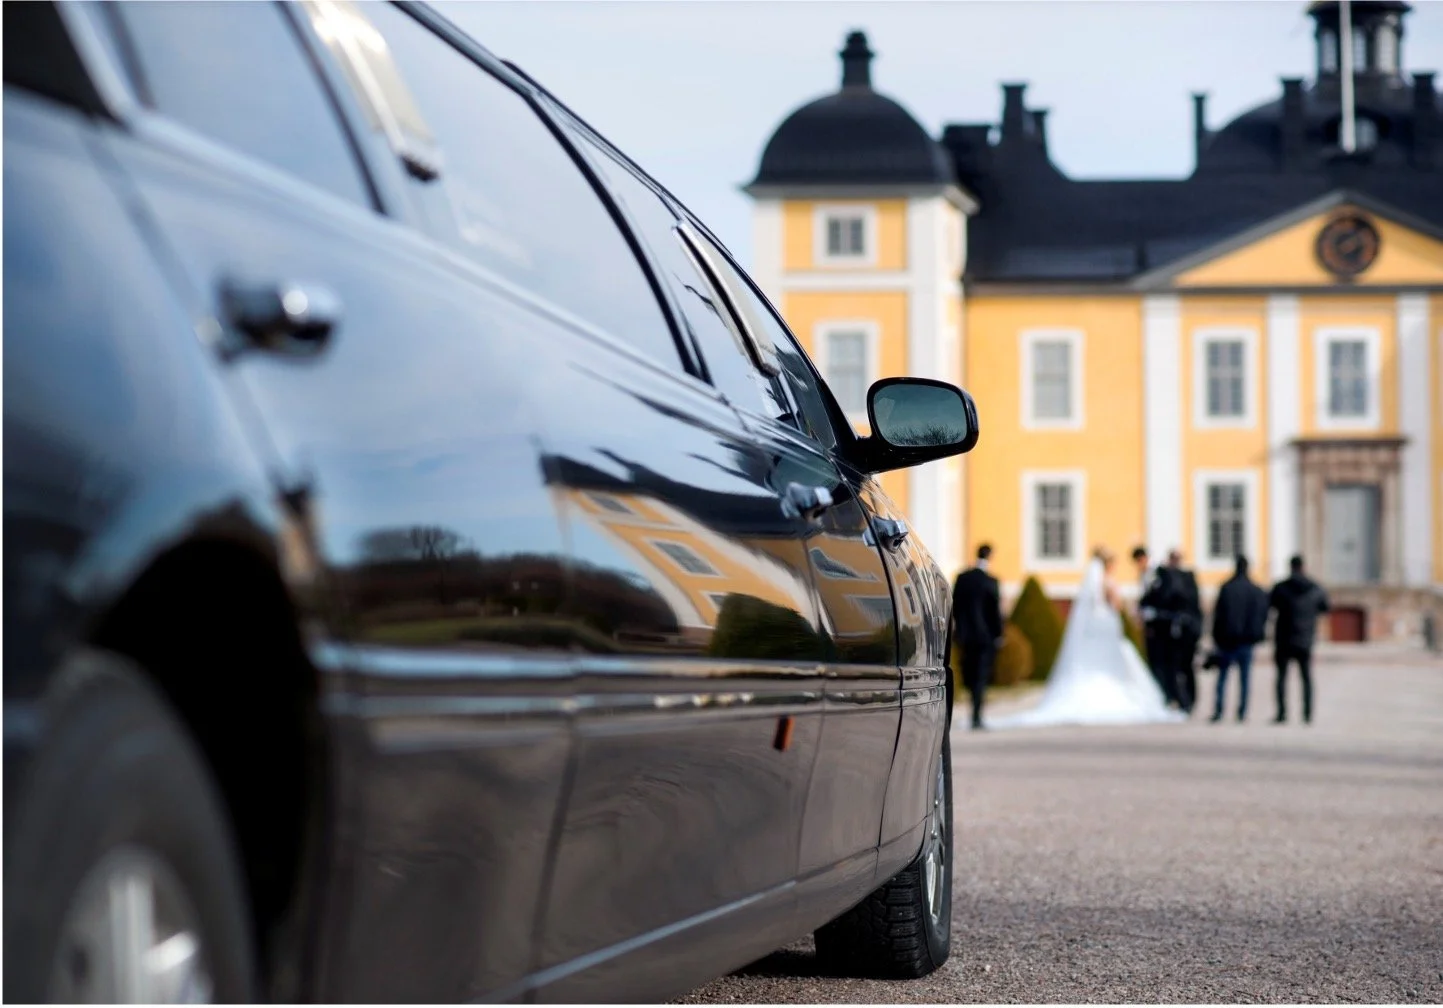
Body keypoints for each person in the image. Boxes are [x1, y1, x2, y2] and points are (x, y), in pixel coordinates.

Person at [989, 547, 1184, 728]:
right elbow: (1115, 605)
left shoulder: (1092, 583)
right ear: (1108, 564)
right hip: (1107, 627)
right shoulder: (1108, 582)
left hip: (1097, 630)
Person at [1269, 555, 1330, 724]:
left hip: (1284, 639)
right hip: (1305, 638)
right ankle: (1307, 714)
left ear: (1291, 567)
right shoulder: (1315, 588)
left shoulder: (1281, 588)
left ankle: (1282, 713)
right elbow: (1325, 608)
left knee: (1281, 678)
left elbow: (1270, 605)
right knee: (1306, 678)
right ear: (1304, 567)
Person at [1208, 555, 1270, 722]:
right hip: (1246, 641)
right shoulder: (1255, 590)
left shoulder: (1227, 588)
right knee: (1244, 679)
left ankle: (1219, 710)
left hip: (1227, 640)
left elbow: (1218, 615)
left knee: (1222, 677)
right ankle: (1242, 712)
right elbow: (1262, 615)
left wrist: (1216, 637)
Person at [952, 543, 1004, 730]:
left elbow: (954, 606)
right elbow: (995, 612)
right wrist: (999, 634)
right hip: (984, 638)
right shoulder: (991, 581)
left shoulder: (962, 578)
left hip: (965, 635)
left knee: (969, 674)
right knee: (980, 677)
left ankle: (973, 714)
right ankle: (976, 716)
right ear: (990, 557)